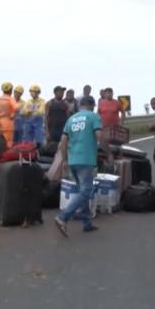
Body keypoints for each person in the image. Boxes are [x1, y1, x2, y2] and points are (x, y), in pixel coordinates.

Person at [54, 96, 108, 236]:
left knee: (81, 190)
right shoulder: (93, 116)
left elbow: (63, 140)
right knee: (85, 191)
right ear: (92, 105)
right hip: (86, 159)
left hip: (73, 160)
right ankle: (63, 217)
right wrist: (109, 153)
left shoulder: (71, 119)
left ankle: (87, 223)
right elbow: (100, 136)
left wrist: (65, 160)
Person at [0, 82, 18, 147]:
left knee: (0, 143)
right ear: (11, 90)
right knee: (8, 143)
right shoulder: (10, 99)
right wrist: (12, 116)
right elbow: (16, 108)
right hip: (8, 123)